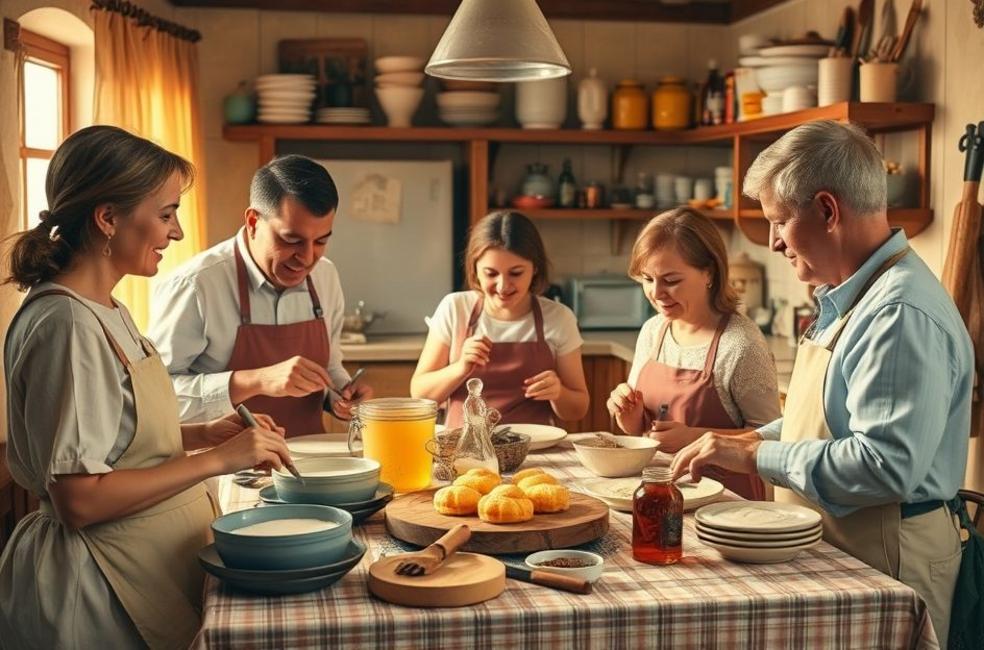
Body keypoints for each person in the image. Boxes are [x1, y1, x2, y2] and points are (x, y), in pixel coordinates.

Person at [668, 121, 971, 647]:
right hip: (847, 554)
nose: (772, 241)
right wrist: (753, 439)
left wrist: (753, 459)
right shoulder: (853, 295)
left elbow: (884, 465)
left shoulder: (898, 313)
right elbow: (831, 416)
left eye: (779, 221)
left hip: (889, 565)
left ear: (828, 211)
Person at [0, 125, 291, 649]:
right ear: (108, 218)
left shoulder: (106, 309)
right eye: (165, 214)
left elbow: (114, 442)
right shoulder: (67, 324)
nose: (176, 232)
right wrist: (218, 459)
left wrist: (203, 433)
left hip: (135, 567)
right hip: (95, 586)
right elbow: (79, 499)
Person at [148, 155, 372, 438]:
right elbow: (155, 398)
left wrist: (340, 395)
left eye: (321, 241)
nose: (306, 258)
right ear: (253, 221)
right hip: (227, 474)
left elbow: (329, 364)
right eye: (291, 240)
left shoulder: (325, 275)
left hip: (313, 463)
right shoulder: (195, 285)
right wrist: (256, 380)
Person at [606, 207, 780, 500]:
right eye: (648, 279)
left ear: (709, 273)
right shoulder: (653, 331)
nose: (656, 293)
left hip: (727, 505)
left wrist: (693, 437)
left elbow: (773, 437)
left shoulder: (740, 344)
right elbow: (642, 432)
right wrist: (628, 416)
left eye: (671, 280)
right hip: (658, 493)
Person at [411, 211, 589, 427]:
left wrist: (558, 393)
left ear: (535, 268)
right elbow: (420, 397)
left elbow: (578, 409)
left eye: (516, 273)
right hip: (464, 450)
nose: (503, 286)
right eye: (491, 273)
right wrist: (460, 367)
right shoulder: (455, 308)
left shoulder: (559, 318)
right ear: (475, 269)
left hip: (535, 451)